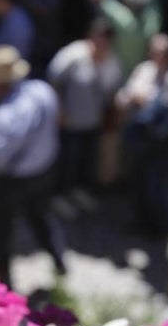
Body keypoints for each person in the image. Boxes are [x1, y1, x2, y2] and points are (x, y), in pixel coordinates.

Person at [0, 45, 68, 287]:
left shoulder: (5, 115)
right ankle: (59, 261)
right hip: (44, 170)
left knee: (2, 230)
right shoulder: (43, 90)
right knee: (41, 217)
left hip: (12, 181)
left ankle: (5, 280)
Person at [116, 33, 168, 236]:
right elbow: (123, 98)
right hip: (139, 139)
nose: (158, 57)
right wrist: (131, 99)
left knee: (158, 186)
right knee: (137, 182)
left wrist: (149, 101)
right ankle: (140, 221)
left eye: (163, 53)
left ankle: (160, 227)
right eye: (155, 52)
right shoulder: (143, 71)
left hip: (160, 144)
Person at [46, 17, 122, 206]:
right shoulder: (72, 55)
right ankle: (60, 196)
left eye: (106, 39)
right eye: (99, 37)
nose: (102, 43)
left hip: (93, 121)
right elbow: (54, 82)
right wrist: (59, 111)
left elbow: (111, 90)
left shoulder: (111, 60)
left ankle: (79, 191)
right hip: (70, 121)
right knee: (68, 161)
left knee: (86, 161)